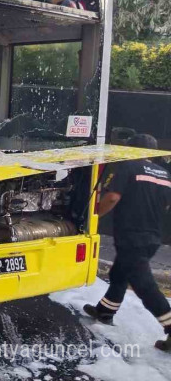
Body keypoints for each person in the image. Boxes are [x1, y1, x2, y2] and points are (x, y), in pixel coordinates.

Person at [83, 134, 171, 350]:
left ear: (133, 150)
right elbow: (166, 206)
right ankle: (105, 311)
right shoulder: (164, 174)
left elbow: (113, 197)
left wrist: (93, 216)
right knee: (119, 274)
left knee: (144, 286)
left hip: (132, 236)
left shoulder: (128, 167)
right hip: (152, 237)